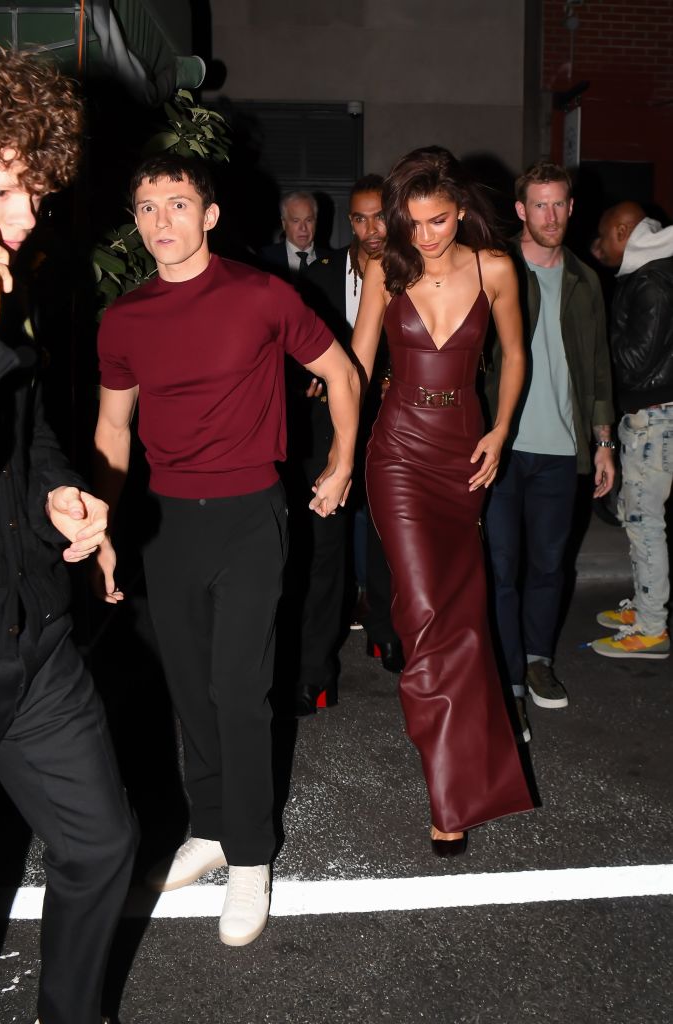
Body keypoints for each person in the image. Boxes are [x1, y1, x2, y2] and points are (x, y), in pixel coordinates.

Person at [93, 153, 359, 945]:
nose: (162, 221)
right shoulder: (125, 318)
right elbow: (113, 428)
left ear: (209, 215)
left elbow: (342, 373)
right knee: (189, 688)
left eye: (177, 204)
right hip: (166, 522)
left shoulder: (261, 294)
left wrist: (342, 461)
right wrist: (103, 530)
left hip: (249, 515)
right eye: (147, 207)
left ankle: (249, 856)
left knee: (239, 690)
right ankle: (209, 828)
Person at [0, 44, 136, 1024]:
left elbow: (29, 425)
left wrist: (61, 494)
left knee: (100, 843)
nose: (24, 220)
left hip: (31, 632)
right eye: (5, 190)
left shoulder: (11, 284)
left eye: (34, 195)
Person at [352, 146, 533, 853]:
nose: (425, 235)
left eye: (438, 220)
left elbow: (514, 354)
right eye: (414, 222)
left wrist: (501, 429)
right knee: (425, 612)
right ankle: (449, 794)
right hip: (397, 451)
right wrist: (339, 456)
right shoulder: (385, 269)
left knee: (460, 615)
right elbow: (359, 363)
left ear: (460, 211)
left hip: (463, 450)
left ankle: (473, 763)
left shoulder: (494, 269)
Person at [484, 161, 615, 734]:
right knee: (501, 568)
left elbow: (599, 368)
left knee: (548, 566)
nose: (551, 215)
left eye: (559, 203)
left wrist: (603, 441)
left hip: (563, 449)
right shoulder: (497, 268)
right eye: (540, 204)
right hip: (503, 448)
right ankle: (510, 681)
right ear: (521, 210)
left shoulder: (586, 280)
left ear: (571, 207)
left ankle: (537, 661)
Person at [289, 174, 402, 716]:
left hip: (390, 426)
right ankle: (314, 672)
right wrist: (310, 376)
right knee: (322, 550)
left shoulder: (410, 271)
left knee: (386, 538)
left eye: (379, 216)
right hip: (326, 431)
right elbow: (295, 348)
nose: (371, 228)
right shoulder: (319, 275)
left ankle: (385, 632)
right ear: (348, 221)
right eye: (360, 218)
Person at [589, 202, 673, 659]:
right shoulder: (649, 272)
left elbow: (637, 362)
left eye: (603, 236)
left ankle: (651, 628)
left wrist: (598, 349)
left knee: (644, 523)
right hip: (651, 418)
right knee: (636, 516)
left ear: (623, 231)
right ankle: (645, 607)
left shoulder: (652, 280)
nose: (597, 246)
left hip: (654, 419)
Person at [260, 191, 333, 279]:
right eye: (296, 221)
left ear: (315, 222)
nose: (303, 228)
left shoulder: (332, 261)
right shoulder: (265, 258)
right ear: (284, 223)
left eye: (308, 220)